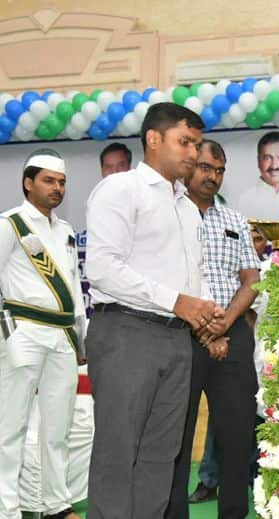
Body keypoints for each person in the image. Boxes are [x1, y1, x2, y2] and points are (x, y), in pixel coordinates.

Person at [84, 102, 225, 519]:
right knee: (118, 453)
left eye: (197, 145)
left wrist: (206, 317)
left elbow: (189, 274)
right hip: (126, 333)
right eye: (185, 142)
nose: (194, 154)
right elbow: (103, 269)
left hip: (177, 339)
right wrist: (178, 302)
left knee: (162, 456)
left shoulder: (186, 206)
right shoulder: (120, 189)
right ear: (153, 139)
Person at [166, 139, 261, 519]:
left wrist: (225, 323)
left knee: (238, 437)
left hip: (232, 332)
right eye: (206, 168)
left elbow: (252, 279)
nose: (213, 177)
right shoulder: (167, 214)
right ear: (189, 166)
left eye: (220, 171)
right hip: (179, 333)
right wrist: (205, 326)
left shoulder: (235, 219)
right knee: (177, 435)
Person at [0, 150, 84, 519]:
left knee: (58, 427)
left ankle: (56, 504)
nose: (57, 188)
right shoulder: (10, 225)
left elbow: (76, 292)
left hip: (63, 337)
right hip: (24, 331)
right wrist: (7, 332)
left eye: (62, 181)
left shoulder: (64, 231)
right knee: (11, 426)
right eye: (49, 180)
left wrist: (81, 339)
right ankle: (8, 509)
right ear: (28, 182)